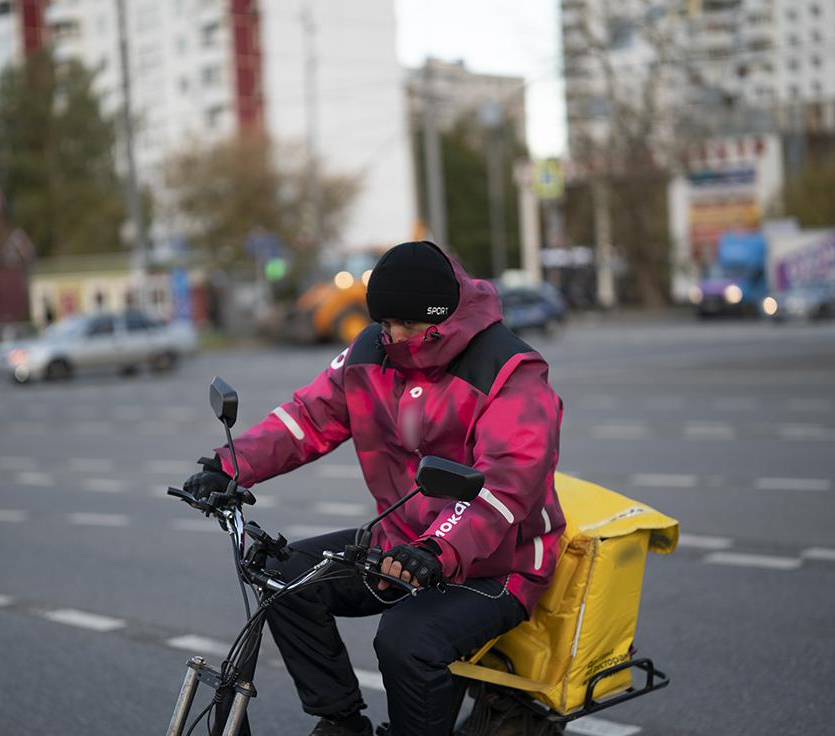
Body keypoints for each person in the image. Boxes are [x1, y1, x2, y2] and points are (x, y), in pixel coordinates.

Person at [183, 241, 564, 736]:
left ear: (441, 316)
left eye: (405, 324)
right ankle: (342, 721)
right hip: (401, 544)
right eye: (384, 323)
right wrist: (227, 465)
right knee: (285, 578)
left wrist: (438, 548)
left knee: (407, 639)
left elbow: (503, 486)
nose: (392, 337)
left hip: (498, 565)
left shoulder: (511, 371)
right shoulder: (370, 352)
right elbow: (307, 419)